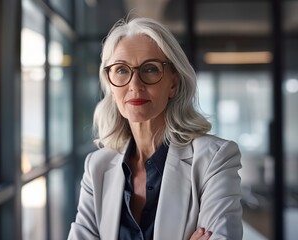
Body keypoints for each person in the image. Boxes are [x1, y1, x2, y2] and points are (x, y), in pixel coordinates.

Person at [68, 16, 242, 240]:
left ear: (173, 83)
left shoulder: (215, 159)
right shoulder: (96, 168)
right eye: (121, 70)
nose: (134, 85)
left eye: (150, 69)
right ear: (110, 83)